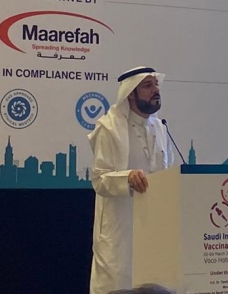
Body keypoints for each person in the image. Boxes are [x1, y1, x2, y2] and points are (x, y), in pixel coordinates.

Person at [89, 66, 176, 294]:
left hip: (153, 226)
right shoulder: (109, 128)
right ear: (130, 94)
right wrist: (127, 178)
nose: (155, 90)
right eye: (147, 85)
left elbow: (168, 173)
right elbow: (99, 179)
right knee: (118, 284)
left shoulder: (160, 128)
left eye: (156, 84)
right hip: (121, 227)